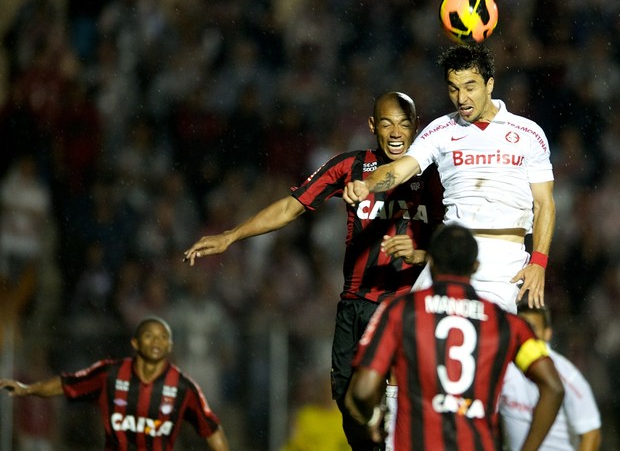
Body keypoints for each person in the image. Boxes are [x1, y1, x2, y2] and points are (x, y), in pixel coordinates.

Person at [183, 91, 445, 450]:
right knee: (347, 399)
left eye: (404, 123)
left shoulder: (436, 173)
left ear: (416, 127)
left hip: (405, 304)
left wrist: (420, 255)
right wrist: (232, 235)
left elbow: (459, 245)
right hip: (355, 304)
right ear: (372, 126)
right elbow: (293, 207)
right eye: (386, 123)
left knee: (396, 394)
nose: (396, 132)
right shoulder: (350, 166)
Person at [343, 44, 555, 314]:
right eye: (453, 88)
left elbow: (545, 203)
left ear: (490, 84)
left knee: (486, 349)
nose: (461, 98)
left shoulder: (528, 133)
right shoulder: (441, 130)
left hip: (502, 263)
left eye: (470, 86)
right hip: (448, 254)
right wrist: (368, 183)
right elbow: (402, 168)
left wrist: (539, 261)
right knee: (402, 330)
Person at [344, 224, 565, 450]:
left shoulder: (400, 312)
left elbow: (362, 391)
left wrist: (372, 419)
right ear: (475, 267)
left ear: (432, 262)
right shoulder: (505, 323)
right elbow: (553, 387)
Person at [0, 316, 230, 451]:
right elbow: (66, 383)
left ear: (169, 346)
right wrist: (28, 389)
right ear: (136, 343)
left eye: (162, 337)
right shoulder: (110, 374)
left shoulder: (183, 387)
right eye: (149, 335)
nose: (156, 341)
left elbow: (212, 429)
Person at [499, 304, 602, 450]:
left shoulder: (567, 375)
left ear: (547, 333)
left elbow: (591, 434)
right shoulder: (504, 367)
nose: (527, 335)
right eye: (522, 328)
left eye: (532, 328)